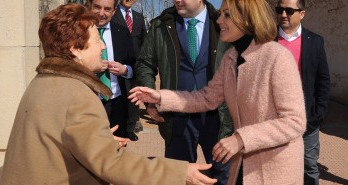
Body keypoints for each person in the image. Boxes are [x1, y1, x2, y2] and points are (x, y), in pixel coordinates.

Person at [0, 3, 217, 185]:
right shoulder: (78, 94)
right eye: (96, 40)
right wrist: (178, 172)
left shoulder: (44, 81)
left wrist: (96, 140)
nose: (103, 45)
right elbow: (112, 164)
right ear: (75, 48)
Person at [129, 0, 307, 184]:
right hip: (244, 166)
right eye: (221, 14)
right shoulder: (231, 59)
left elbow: (294, 122)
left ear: (247, 19)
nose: (219, 20)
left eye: (227, 15)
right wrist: (161, 97)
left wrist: (239, 139)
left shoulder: (277, 57)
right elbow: (206, 98)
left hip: (274, 170)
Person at [135, 0, 232, 184]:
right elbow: (145, 63)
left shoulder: (222, 23)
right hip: (176, 119)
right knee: (178, 176)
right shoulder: (160, 25)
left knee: (224, 176)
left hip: (218, 118)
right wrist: (150, 101)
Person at [275, 0, 330, 184]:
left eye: (289, 10)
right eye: (280, 9)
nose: (283, 14)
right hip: (275, 121)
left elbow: (323, 81)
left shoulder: (315, 42)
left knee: (309, 167)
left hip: (307, 120)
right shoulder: (266, 40)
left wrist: (318, 115)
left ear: (302, 14)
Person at [89, 0, 135, 139]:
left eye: (107, 9)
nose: (101, 13)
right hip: (89, 102)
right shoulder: (78, 32)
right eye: (97, 7)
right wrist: (91, 69)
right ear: (89, 5)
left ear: (114, 11)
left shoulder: (122, 31)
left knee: (118, 150)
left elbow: (134, 63)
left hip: (117, 103)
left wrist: (125, 70)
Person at [112, 0, 148, 141]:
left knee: (134, 98)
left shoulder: (139, 17)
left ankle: (130, 128)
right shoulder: (113, 14)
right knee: (119, 97)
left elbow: (145, 42)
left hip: (135, 65)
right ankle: (117, 127)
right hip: (117, 64)